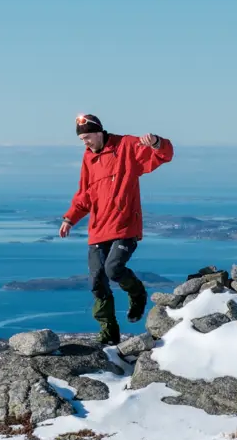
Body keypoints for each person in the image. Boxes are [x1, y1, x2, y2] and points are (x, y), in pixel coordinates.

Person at [58, 114, 173, 345]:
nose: (85, 143)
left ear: (99, 132)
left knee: (113, 269)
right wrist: (70, 219)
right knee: (96, 281)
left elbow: (163, 155)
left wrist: (157, 142)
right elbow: (84, 195)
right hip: (99, 227)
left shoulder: (127, 146)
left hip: (124, 226)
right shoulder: (88, 159)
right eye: (82, 139)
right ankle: (109, 335)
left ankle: (137, 294)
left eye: (88, 137)